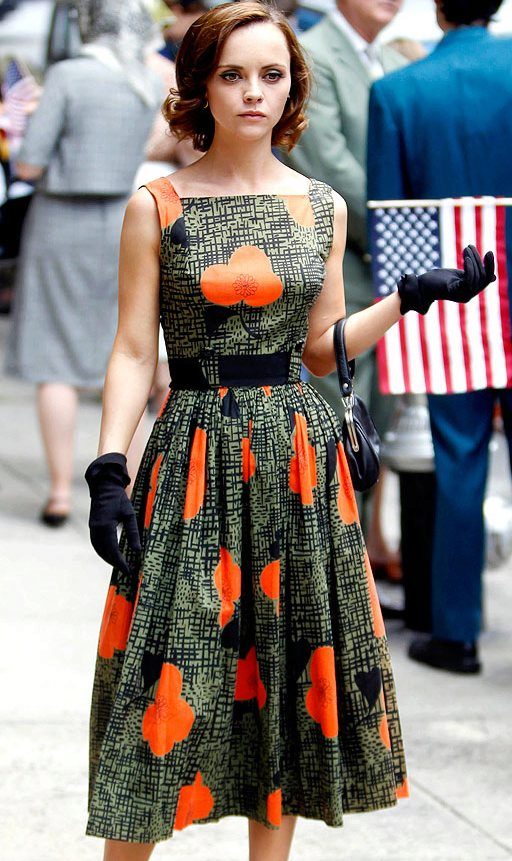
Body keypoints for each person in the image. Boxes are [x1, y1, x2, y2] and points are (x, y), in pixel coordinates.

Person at [83, 3, 493, 857]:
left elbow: (317, 347)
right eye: (232, 74)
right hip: (191, 460)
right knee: (168, 680)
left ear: (292, 87)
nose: (253, 92)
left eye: (271, 75)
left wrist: (408, 299)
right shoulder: (156, 205)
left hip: (298, 464)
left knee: (285, 675)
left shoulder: (321, 206)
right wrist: (109, 470)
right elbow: (132, 349)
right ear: (200, 86)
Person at [367, 0, 512, 674]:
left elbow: (388, 219)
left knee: (458, 461)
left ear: (438, 6)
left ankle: (456, 632)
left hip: (454, 300)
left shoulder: (398, 91)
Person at [4, 0, 163, 525]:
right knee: (125, 351)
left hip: (60, 220)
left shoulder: (69, 76)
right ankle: (134, 489)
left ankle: (57, 493)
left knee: (54, 358)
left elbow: (30, 163)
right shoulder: (144, 80)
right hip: (124, 218)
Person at [282, 0, 407, 579]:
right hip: (343, 265)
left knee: (377, 422)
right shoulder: (315, 55)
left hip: (386, 270)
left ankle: (363, 552)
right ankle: (331, 568)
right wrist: (403, 225)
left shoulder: (387, 59)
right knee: (338, 424)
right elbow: (329, 166)